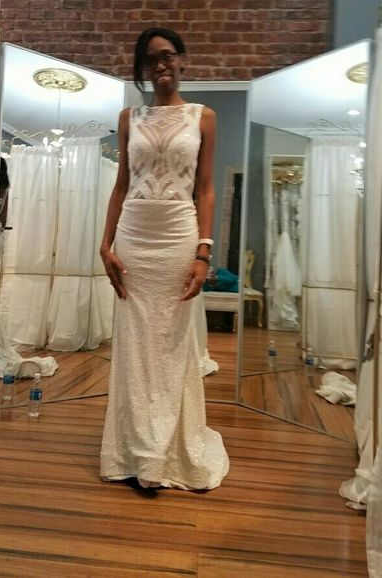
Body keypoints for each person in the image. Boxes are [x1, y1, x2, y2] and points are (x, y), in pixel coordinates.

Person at [99, 27, 229, 490]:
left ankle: (167, 449)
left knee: (172, 341)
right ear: (143, 69)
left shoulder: (203, 117)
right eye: (151, 60)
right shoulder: (128, 117)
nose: (161, 65)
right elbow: (121, 185)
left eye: (168, 56)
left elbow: (206, 189)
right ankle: (137, 451)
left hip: (178, 233)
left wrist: (203, 252)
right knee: (134, 342)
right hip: (134, 233)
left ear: (182, 59)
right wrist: (105, 244)